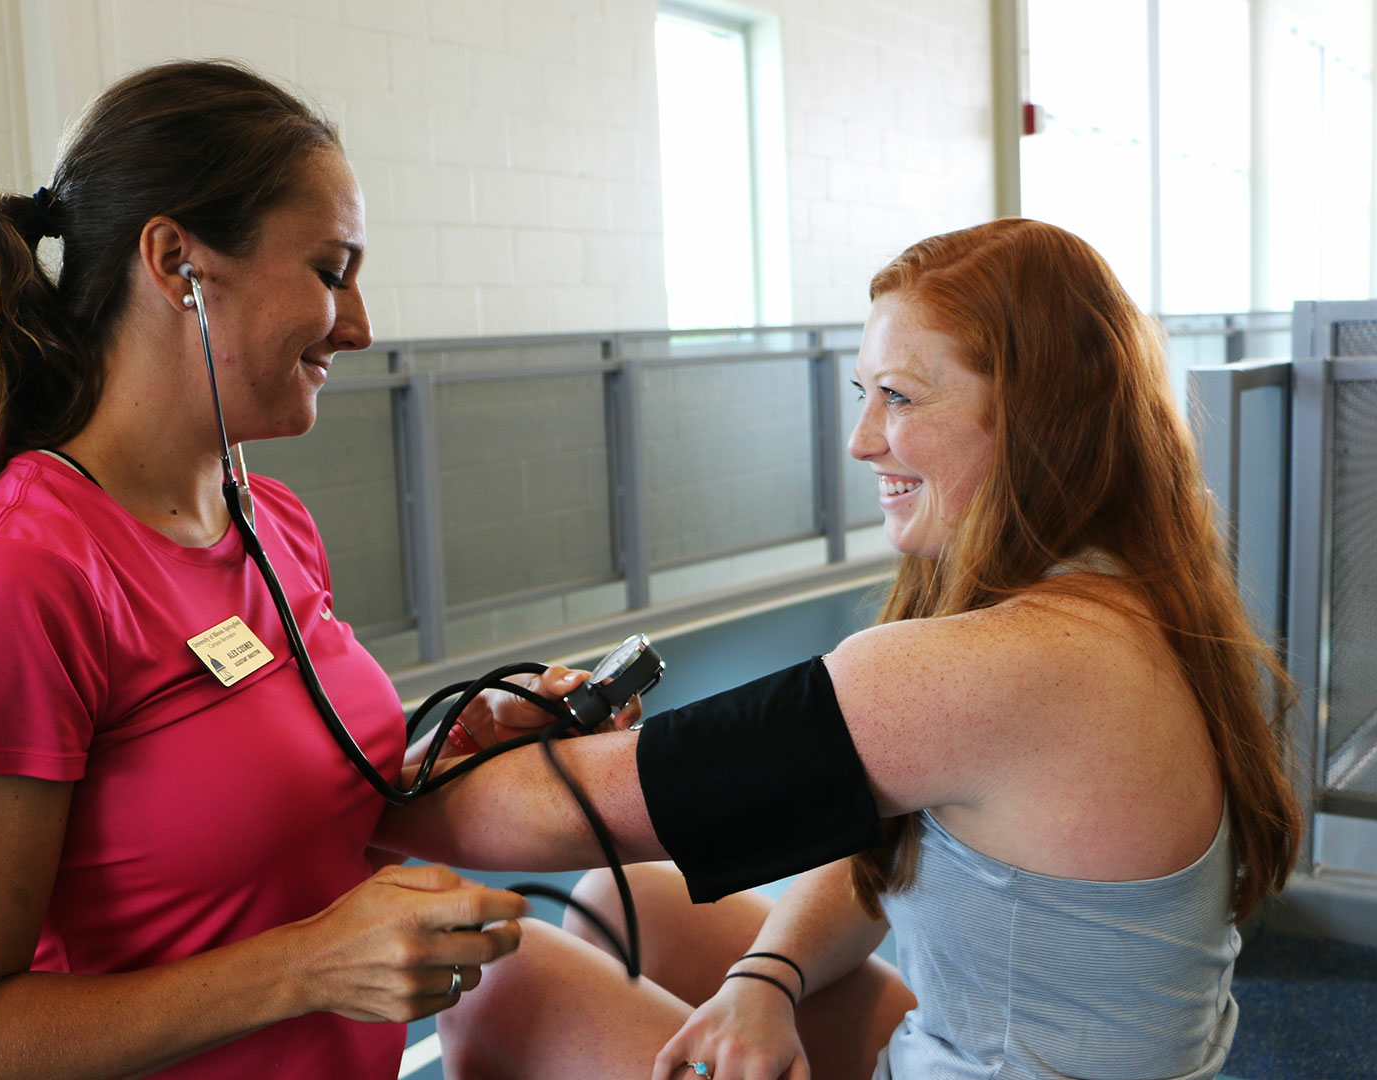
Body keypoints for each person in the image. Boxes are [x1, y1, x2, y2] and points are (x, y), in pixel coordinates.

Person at [376, 218, 1304, 1080]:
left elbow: (559, 813)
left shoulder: (996, 666)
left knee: (501, 980)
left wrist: (346, 798)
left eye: (898, 398)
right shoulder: (1131, 604)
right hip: (1007, 1048)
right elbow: (868, 816)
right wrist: (764, 980)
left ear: (1032, 422)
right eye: (865, 394)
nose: (862, 441)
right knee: (627, 904)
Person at [0, 59, 598, 1079]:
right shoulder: (6, 582)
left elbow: (265, 816)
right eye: (331, 270)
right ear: (176, 263)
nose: (359, 324)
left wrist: (450, 746)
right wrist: (304, 970)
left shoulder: (270, 521)